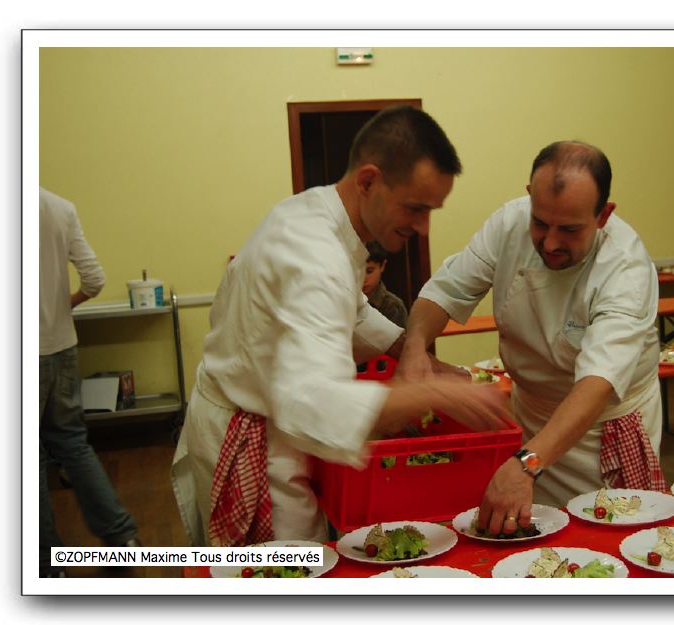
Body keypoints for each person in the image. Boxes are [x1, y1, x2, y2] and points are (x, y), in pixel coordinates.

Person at [170, 106, 509, 547]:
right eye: (415, 208)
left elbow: (351, 310)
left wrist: (410, 349)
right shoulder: (313, 254)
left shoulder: (324, 215)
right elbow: (312, 399)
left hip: (263, 413)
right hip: (253, 432)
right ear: (368, 181)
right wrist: (434, 393)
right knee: (288, 569)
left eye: (432, 211)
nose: (423, 227)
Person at [398, 141, 665, 538]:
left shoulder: (625, 268)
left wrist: (527, 464)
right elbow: (446, 291)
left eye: (570, 230)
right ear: (529, 198)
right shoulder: (508, 224)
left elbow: (597, 383)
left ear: (603, 215)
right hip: (531, 416)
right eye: (540, 223)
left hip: (598, 430)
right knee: (534, 539)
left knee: (604, 541)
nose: (551, 243)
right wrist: (415, 346)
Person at [39, 187, 141, 577]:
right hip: (61, 345)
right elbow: (94, 279)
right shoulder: (58, 207)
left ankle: (47, 564)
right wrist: (64, 305)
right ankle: (122, 538)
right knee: (73, 444)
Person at [362, 241, 408, 328]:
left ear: (382, 266)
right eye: (358, 272)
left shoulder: (394, 307)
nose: (363, 278)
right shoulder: (346, 300)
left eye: (369, 271)